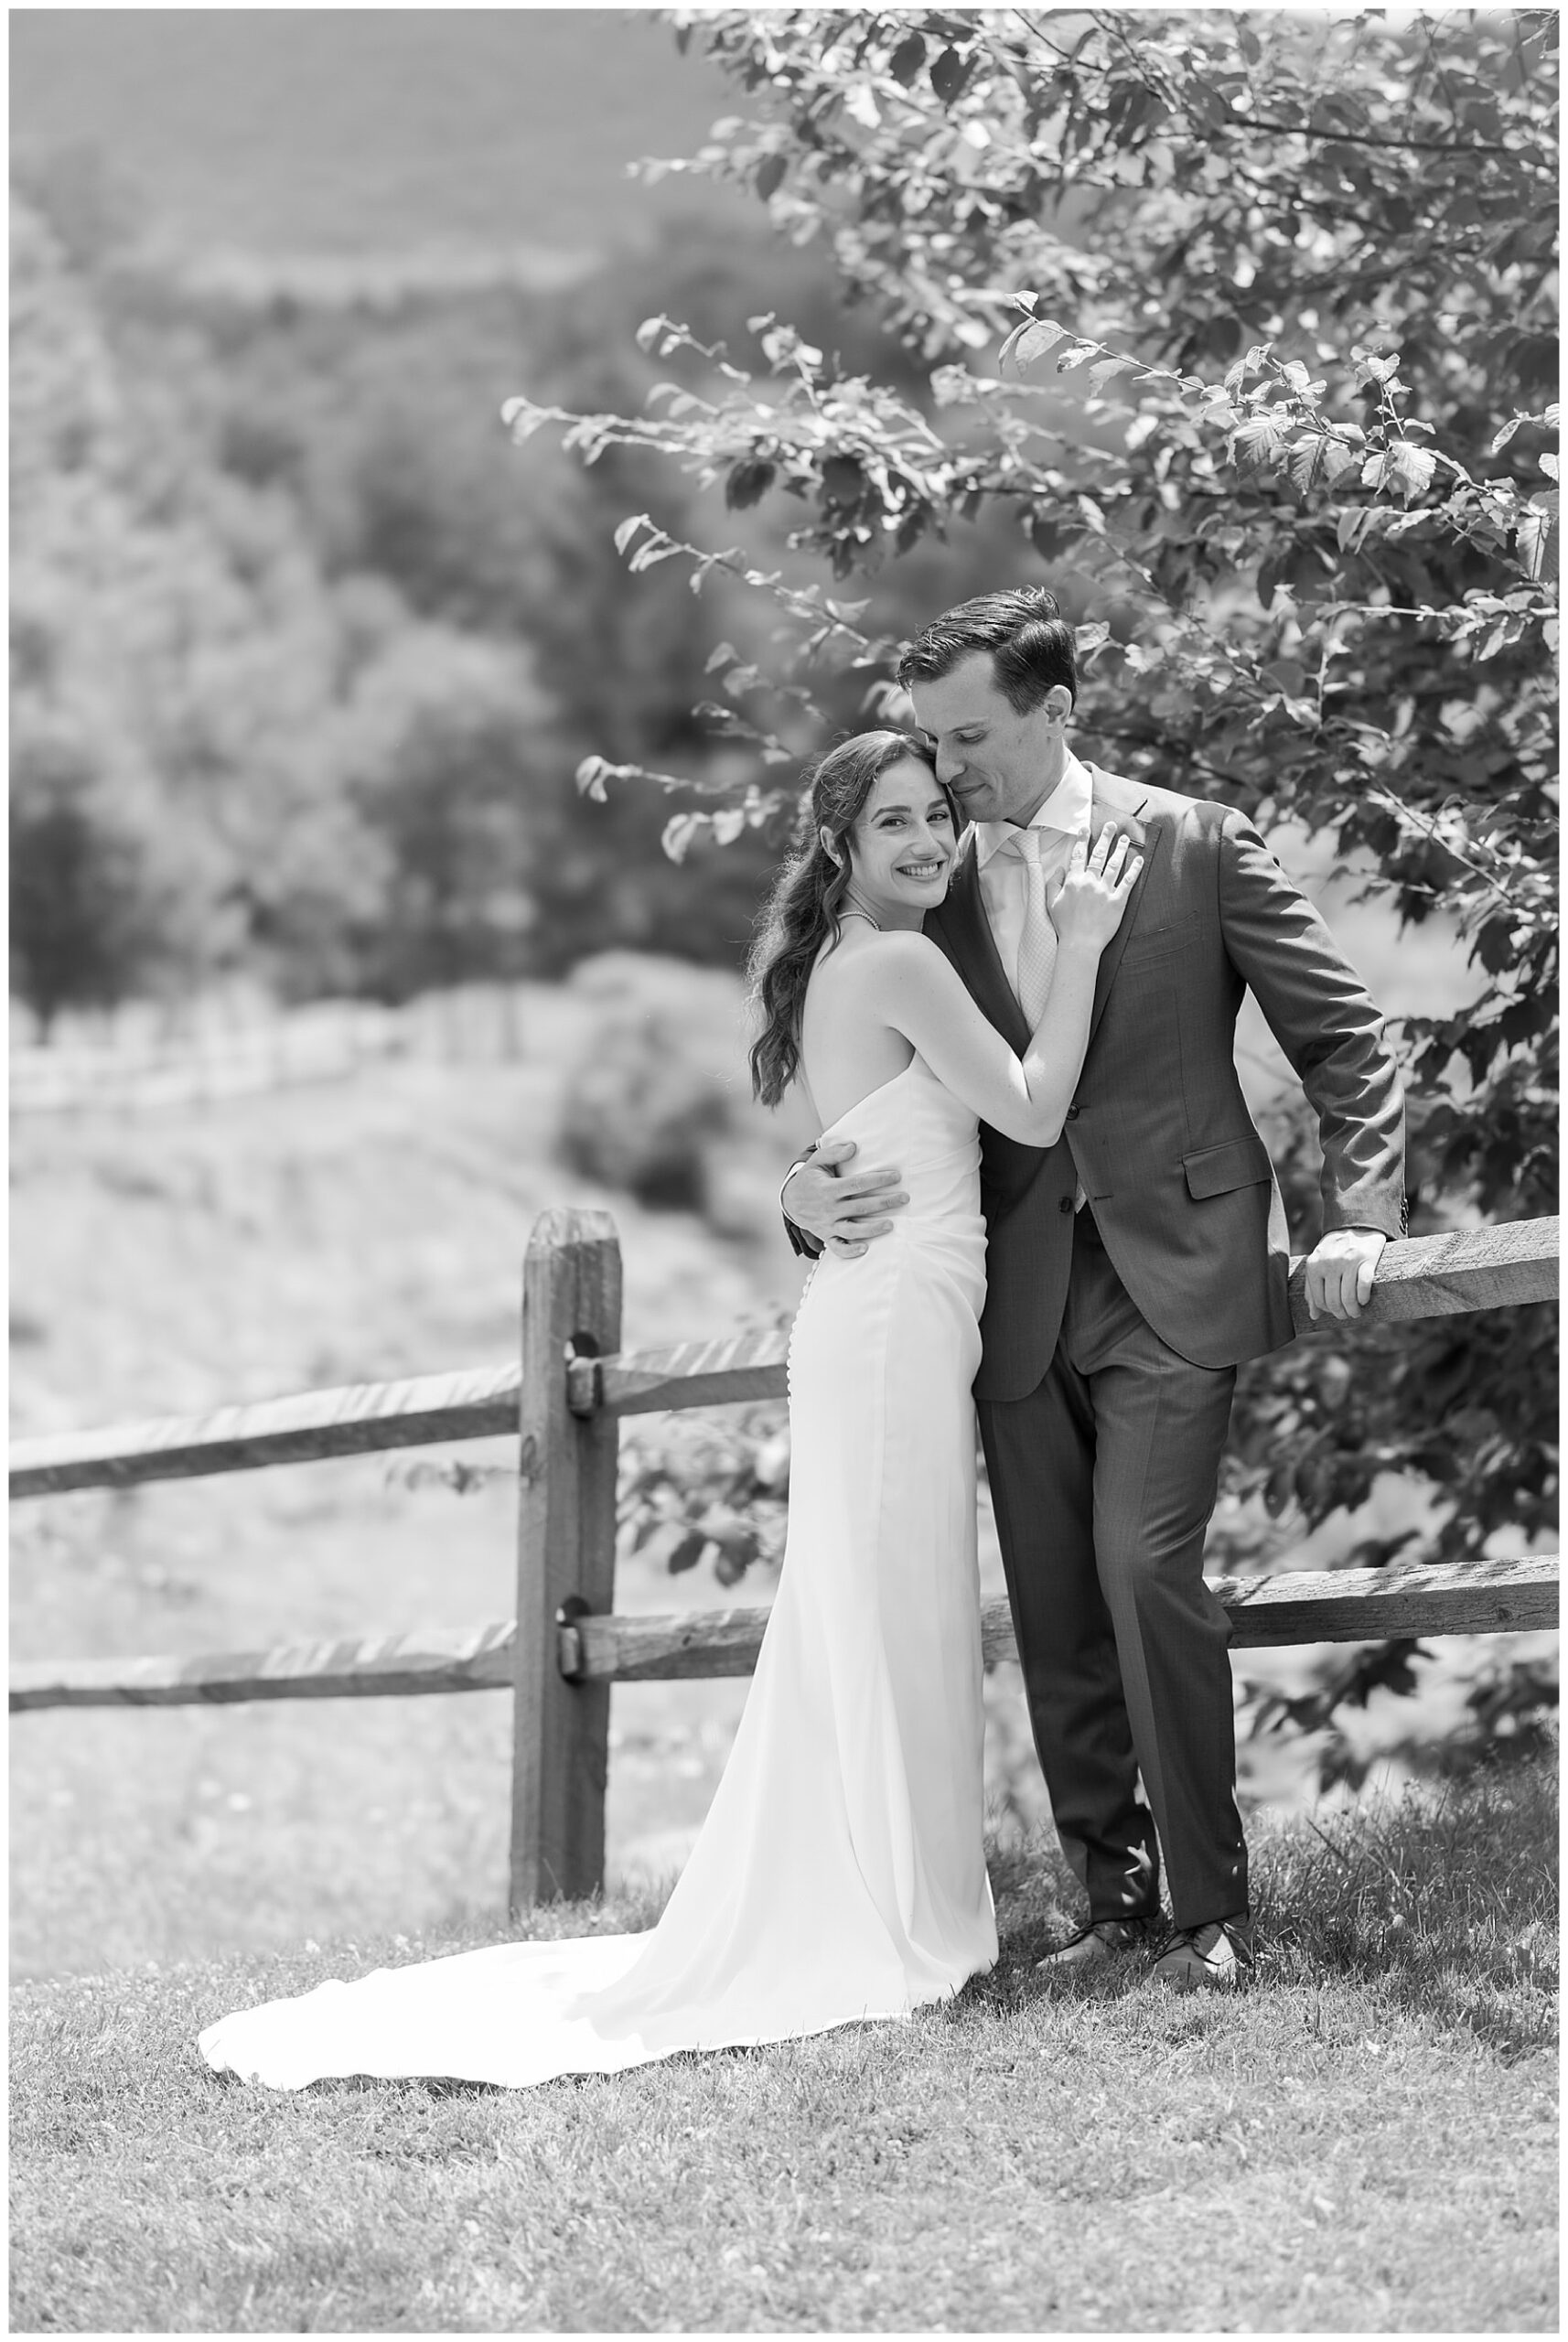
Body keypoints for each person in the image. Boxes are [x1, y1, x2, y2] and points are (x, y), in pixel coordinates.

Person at [199, 727, 1139, 2090]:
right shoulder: (897, 960)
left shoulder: (841, 959)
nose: (929, 839)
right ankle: (879, 1912)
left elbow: (902, 1131)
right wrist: (1092, 939)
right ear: (841, 846)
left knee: (888, 1609)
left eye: (937, 814)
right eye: (896, 825)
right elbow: (1036, 1110)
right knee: (882, 1611)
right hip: (887, 1332)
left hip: (891, 1319)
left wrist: (1044, 939)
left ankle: (903, 1894)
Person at [781, 588, 1405, 1992]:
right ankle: (1109, 1905)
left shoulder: (1189, 842)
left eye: (969, 739)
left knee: (1141, 1567)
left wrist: (1360, 1216)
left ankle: (1209, 1910)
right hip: (1006, 1292)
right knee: (1056, 1603)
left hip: (1175, 1271)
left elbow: (1349, 1037)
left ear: (1057, 712)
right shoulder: (926, 884)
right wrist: (799, 1197)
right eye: (929, 748)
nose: (943, 777)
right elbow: (861, 1061)